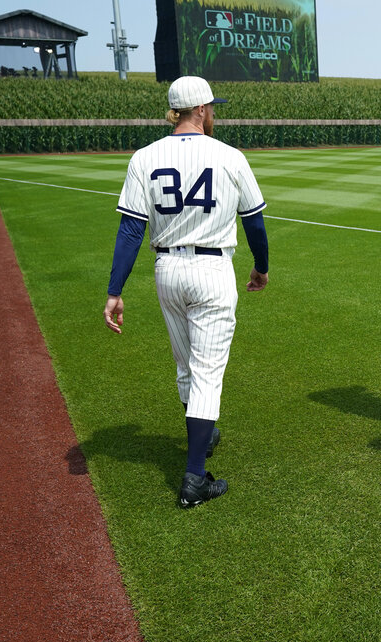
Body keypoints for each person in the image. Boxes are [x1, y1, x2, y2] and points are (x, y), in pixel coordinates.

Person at [104, 75, 270, 507]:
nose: (214, 113)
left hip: (167, 269)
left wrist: (115, 289)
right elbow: (253, 220)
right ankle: (195, 477)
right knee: (208, 373)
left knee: (186, 365)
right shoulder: (229, 155)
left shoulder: (145, 156)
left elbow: (130, 228)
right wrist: (262, 267)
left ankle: (203, 434)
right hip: (212, 269)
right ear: (200, 110)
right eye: (212, 107)